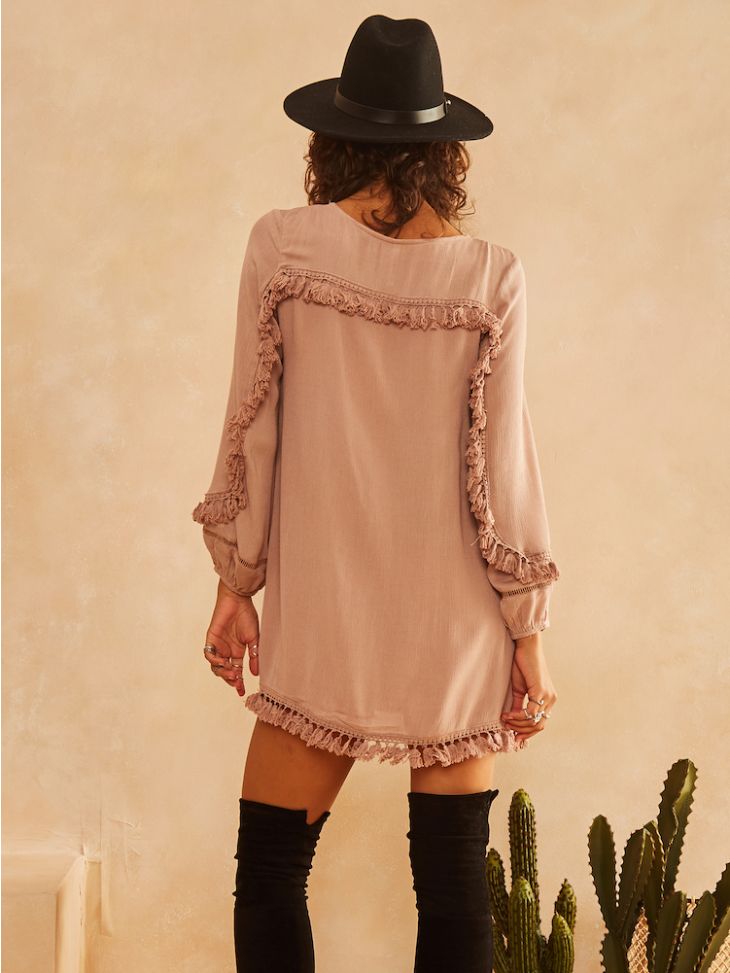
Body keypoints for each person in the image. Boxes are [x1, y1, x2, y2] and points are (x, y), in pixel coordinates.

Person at [191, 14, 560, 973]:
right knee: (454, 884)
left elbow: (249, 430)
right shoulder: (492, 277)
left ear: (333, 137)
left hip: (328, 608)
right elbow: (505, 468)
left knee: (272, 870)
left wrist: (237, 580)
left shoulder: (284, 249)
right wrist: (527, 630)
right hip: (457, 624)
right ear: (445, 150)